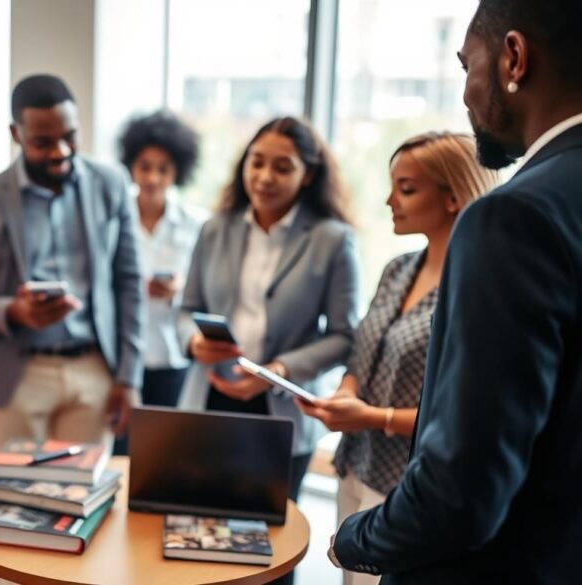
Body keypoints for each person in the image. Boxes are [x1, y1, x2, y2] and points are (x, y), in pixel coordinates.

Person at [329, 1, 582, 582]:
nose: (466, 94)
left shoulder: (514, 218)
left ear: (513, 58)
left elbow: (461, 493)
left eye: (467, 65)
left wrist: (352, 541)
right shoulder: (400, 267)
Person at [296, 132, 499, 585]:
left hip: (408, 486)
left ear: (453, 196)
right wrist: (346, 395)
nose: (390, 200)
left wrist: (373, 416)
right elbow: (362, 352)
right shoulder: (398, 269)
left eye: (406, 189)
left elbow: (468, 413)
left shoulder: (475, 287)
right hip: (354, 466)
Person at [0, 74, 144, 452]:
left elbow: (130, 283)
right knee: (13, 499)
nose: (60, 152)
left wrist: (129, 378)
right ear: (16, 134)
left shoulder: (111, 184)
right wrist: (13, 311)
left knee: (82, 500)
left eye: (69, 136)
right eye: (43, 142)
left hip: (94, 369)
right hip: (16, 374)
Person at [178, 116, 359, 504]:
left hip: (281, 405)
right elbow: (187, 308)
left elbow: (345, 336)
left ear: (307, 174)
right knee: (193, 528)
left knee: (272, 546)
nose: (264, 177)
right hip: (209, 397)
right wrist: (193, 342)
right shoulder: (215, 229)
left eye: (282, 167)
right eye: (256, 162)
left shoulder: (332, 240)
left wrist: (279, 371)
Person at [113, 110, 206, 455]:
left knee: (165, 452)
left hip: (173, 359)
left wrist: (178, 290)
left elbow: (206, 292)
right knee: (121, 453)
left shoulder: (197, 225)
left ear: (177, 171)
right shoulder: (115, 219)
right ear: (131, 166)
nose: (152, 177)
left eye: (162, 168)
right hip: (124, 359)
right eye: (144, 166)